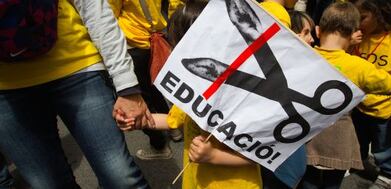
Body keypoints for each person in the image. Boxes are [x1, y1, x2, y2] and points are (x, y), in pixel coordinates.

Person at [0, 0, 153, 188]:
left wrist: (127, 86)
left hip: (77, 66)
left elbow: (94, 8)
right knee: (49, 184)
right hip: (6, 90)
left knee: (121, 178)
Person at [117, 1, 263, 188]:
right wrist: (142, 120)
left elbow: (260, 154)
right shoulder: (195, 86)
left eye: (178, 47)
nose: (172, 54)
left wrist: (214, 156)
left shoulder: (245, 93)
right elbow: (174, 119)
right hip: (197, 180)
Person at [298, 2, 391, 189]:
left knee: (307, 182)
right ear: (353, 34)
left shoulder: (305, 56)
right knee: (332, 185)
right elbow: (389, 85)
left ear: (318, 31)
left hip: (305, 137)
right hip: (338, 141)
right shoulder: (359, 67)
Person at [108, 0, 185, 160]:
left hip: (133, 43)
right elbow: (174, 4)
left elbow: (108, 17)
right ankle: (174, 128)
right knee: (157, 88)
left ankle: (159, 146)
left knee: (141, 98)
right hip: (155, 38)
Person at [350, 0, 391, 188]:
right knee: (358, 139)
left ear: (379, 13)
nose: (357, 23)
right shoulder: (360, 35)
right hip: (360, 105)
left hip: (386, 109)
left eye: (362, 18)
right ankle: (358, 163)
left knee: (386, 145)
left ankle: (387, 176)